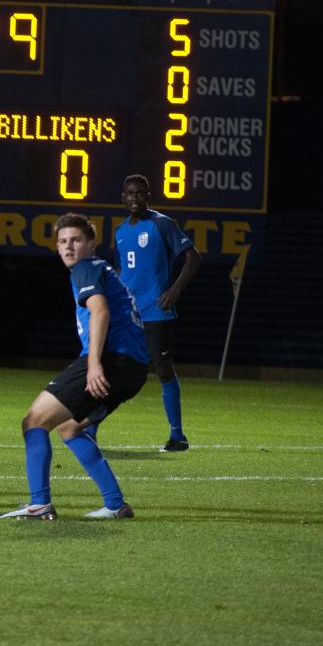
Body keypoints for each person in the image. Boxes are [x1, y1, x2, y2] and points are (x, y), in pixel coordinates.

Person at [2, 213, 149, 520]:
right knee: (70, 427)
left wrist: (94, 364)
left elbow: (100, 311)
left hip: (112, 360)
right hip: (134, 368)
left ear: (91, 244)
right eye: (63, 241)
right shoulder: (105, 270)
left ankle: (39, 504)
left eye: (76, 240)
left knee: (34, 422)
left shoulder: (86, 268)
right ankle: (115, 504)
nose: (69, 247)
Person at [112, 174, 202, 451]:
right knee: (112, 367)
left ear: (148, 196)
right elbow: (120, 272)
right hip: (129, 314)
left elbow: (193, 258)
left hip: (157, 311)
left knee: (162, 368)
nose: (135, 198)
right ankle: (89, 428)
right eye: (130, 193)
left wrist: (174, 291)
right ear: (123, 197)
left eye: (140, 193)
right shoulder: (119, 231)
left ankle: (178, 436)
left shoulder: (162, 223)